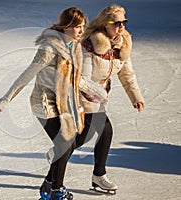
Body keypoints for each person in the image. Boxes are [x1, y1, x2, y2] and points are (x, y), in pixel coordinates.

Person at [0, 6, 106, 200]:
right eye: (77, 26)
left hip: (62, 104)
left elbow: (76, 80)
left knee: (70, 141)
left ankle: (49, 185)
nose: (82, 30)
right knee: (65, 142)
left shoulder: (74, 49)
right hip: (44, 104)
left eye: (83, 26)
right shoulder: (49, 48)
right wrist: (6, 98)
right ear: (66, 27)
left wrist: (98, 91)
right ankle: (56, 190)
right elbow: (28, 74)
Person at [73, 4, 145, 192]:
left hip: (99, 95)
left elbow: (127, 74)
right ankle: (99, 175)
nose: (121, 27)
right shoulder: (90, 44)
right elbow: (81, 78)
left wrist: (135, 96)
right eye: (117, 23)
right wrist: (94, 93)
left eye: (124, 22)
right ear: (105, 24)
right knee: (105, 130)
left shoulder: (123, 43)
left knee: (82, 136)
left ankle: (58, 153)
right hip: (82, 93)